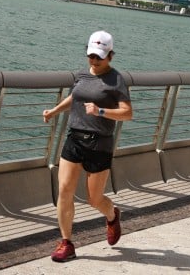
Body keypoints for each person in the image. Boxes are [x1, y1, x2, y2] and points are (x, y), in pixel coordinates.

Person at [42, 29, 133, 263]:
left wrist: (100, 111)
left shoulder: (116, 80)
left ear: (110, 55)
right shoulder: (82, 75)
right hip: (75, 139)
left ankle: (112, 216)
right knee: (64, 191)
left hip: (100, 143)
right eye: (90, 55)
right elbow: (75, 97)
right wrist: (53, 111)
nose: (94, 60)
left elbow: (127, 113)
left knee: (94, 200)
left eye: (99, 56)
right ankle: (66, 243)